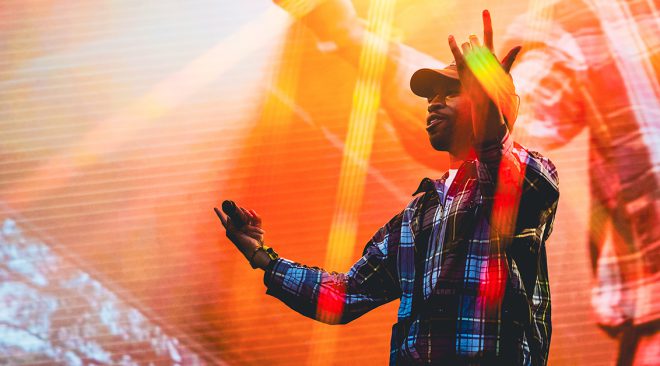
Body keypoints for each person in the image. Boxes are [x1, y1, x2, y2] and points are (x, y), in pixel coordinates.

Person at [217, 11, 559, 365]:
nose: (434, 102)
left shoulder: (531, 174)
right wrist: (260, 256)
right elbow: (345, 295)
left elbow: (505, 172)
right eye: (431, 96)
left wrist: (487, 107)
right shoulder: (416, 215)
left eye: (453, 92)